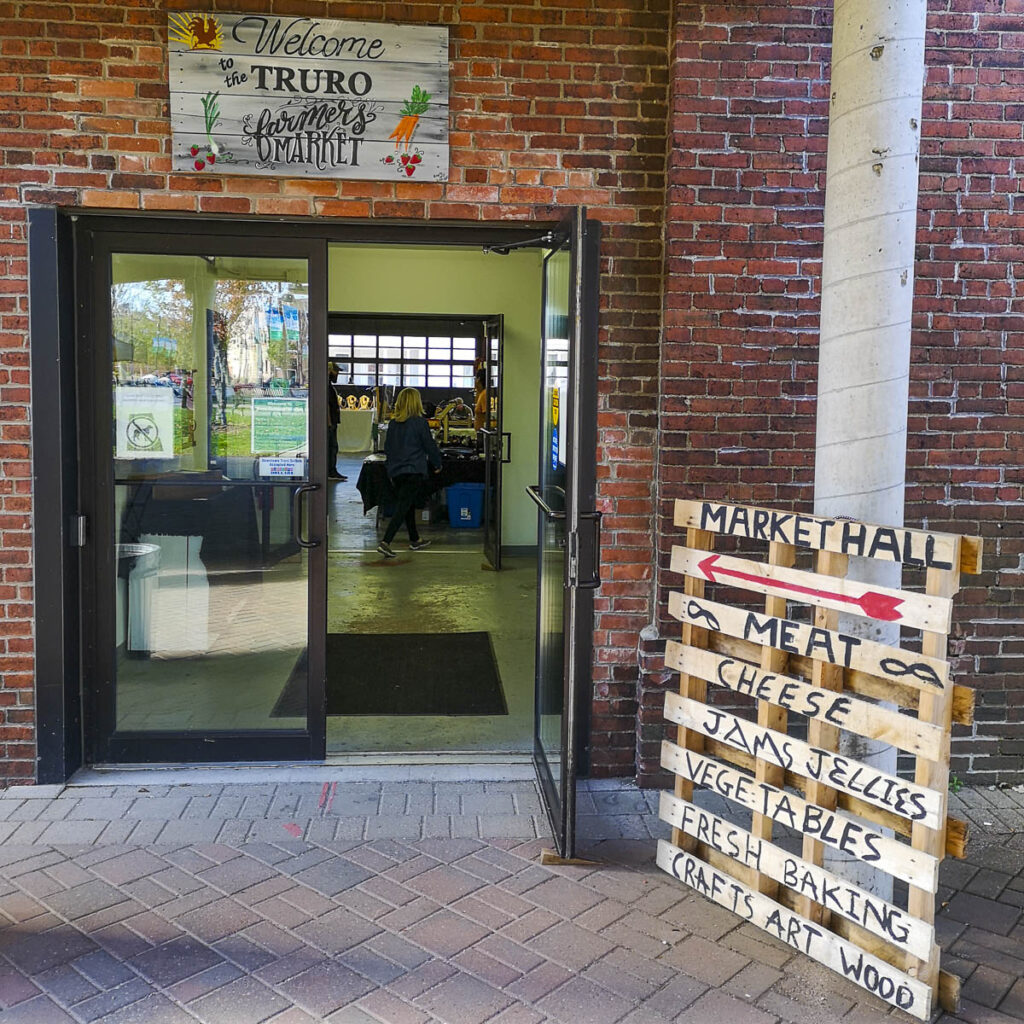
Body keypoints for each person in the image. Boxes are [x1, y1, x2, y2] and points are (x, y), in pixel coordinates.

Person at [378, 387, 441, 558]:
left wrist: (390, 468)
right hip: (414, 470)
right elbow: (429, 446)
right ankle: (386, 542)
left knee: (408, 505)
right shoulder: (420, 423)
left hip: (396, 471)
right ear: (416, 403)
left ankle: (415, 539)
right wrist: (437, 464)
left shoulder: (393, 424)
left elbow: (388, 448)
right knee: (403, 507)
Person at [327, 362, 346, 481]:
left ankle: (331, 470)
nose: (337, 374)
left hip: (332, 422)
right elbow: (326, 405)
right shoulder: (326, 386)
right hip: (329, 423)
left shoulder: (328, 385)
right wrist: (329, 422)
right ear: (330, 371)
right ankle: (330, 471)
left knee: (333, 447)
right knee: (331, 447)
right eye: (336, 371)